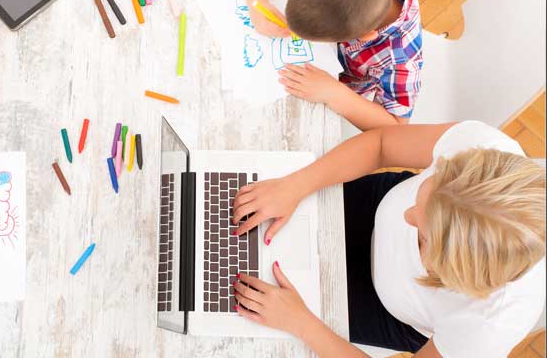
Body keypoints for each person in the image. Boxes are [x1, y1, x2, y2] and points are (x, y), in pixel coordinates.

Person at [231, 121, 546, 357]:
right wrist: (296, 185)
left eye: (422, 239)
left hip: (387, 309)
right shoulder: (482, 148)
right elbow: (381, 144)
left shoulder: (488, 328)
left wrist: (301, 323)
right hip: (374, 202)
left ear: (457, 278)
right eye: (423, 194)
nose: (407, 219)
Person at [248, 0, 423, 130]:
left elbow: (396, 126)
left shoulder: (402, 58)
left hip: (339, 89)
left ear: (365, 36)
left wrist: (333, 93)